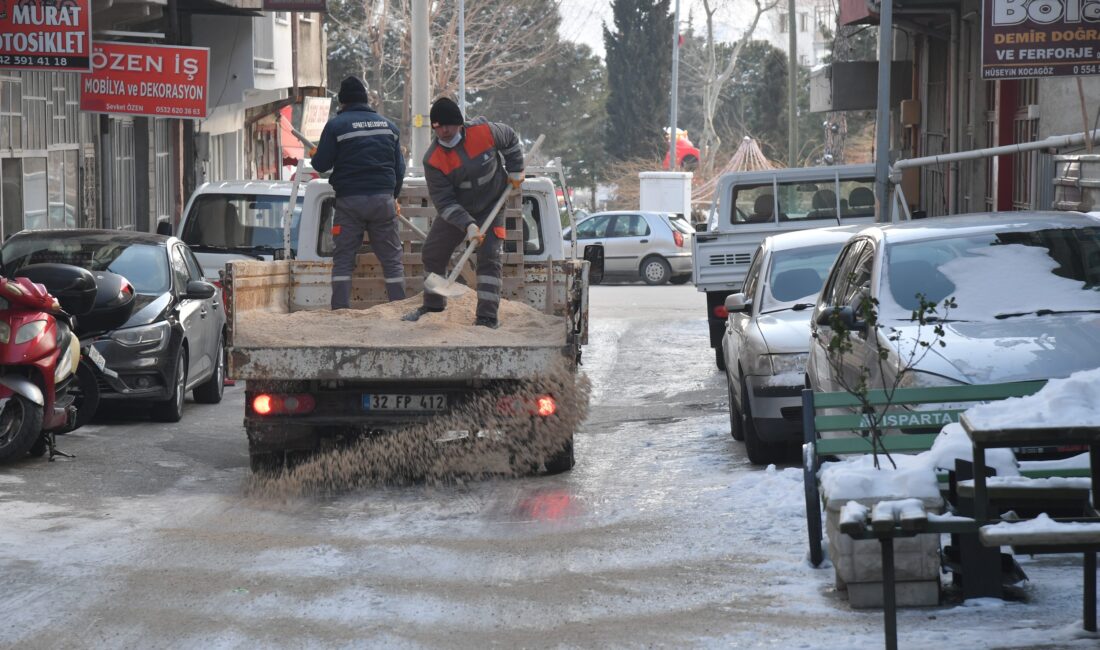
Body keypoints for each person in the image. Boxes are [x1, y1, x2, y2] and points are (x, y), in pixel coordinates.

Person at [402, 97, 524, 329]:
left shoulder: (484, 132)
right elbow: (444, 202)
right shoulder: (433, 159)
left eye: (448, 125)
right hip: (459, 209)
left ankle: (487, 318)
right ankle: (433, 305)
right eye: (438, 126)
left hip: (492, 204)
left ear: (460, 123)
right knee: (432, 252)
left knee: (489, 256)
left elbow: (509, 137)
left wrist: (516, 168)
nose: (444, 131)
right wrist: (467, 224)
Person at [310, 76, 406, 309]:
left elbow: (321, 165)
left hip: (350, 202)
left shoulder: (336, 126)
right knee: (392, 260)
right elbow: (399, 168)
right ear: (365, 100)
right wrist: (393, 195)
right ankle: (399, 308)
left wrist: (318, 153)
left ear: (342, 103)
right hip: (383, 201)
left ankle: (341, 310)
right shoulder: (388, 126)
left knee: (343, 259)